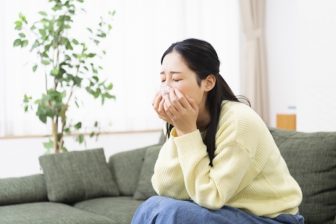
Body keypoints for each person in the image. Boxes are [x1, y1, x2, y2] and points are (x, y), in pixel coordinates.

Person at [131, 38, 304, 224]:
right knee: (152, 205)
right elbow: (166, 188)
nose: (166, 88)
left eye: (176, 79)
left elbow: (211, 197)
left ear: (208, 82)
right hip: (227, 212)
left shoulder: (240, 121)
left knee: (170, 213)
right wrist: (178, 129)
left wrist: (187, 132)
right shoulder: (186, 122)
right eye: (163, 79)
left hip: (273, 220)